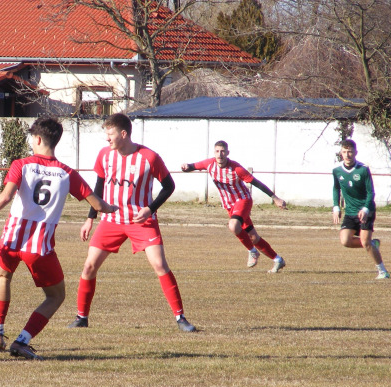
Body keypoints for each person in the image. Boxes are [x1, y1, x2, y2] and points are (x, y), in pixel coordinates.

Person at [0, 116, 116, 360]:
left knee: (3, 275)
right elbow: (98, 205)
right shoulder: (67, 173)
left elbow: (5, 197)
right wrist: (115, 208)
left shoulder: (21, 164)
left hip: (11, 239)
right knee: (56, 296)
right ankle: (22, 341)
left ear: (38, 139)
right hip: (39, 247)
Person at [67, 113, 195, 332]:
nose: (107, 139)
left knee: (159, 265)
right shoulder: (104, 156)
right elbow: (97, 189)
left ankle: (180, 318)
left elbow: (169, 186)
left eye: (110, 134)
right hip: (111, 219)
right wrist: (90, 219)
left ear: (123, 134)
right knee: (89, 266)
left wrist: (150, 209)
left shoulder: (149, 157)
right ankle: (81, 317)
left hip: (141, 221)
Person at [181, 140, 287, 272]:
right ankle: (278, 260)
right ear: (214, 153)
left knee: (233, 226)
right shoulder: (209, 164)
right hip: (230, 206)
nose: (220, 155)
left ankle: (252, 251)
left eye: (223, 151)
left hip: (243, 200)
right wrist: (185, 167)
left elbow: (257, 183)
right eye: (217, 151)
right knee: (253, 237)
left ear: (227, 153)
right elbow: (192, 166)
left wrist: (275, 198)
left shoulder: (236, 169)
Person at [332, 139, 388, 279]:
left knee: (365, 242)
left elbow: (371, 193)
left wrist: (366, 209)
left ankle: (382, 271)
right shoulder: (337, 170)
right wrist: (336, 206)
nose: (347, 155)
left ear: (355, 152)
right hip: (350, 212)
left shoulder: (363, 169)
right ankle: (373, 243)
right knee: (345, 241)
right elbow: (336, 188)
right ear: (341, 153)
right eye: (344, 152)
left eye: (350, 151)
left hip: (366, 210)